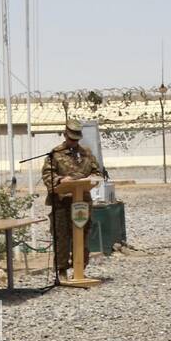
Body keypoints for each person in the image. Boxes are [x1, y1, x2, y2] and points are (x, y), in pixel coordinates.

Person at [42, 118, 103, 280]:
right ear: (65, 135)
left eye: (76, 139)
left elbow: (98, 172)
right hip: (61, 202)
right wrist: (60, 180)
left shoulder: (87, 153)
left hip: (82, 201)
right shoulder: (55, 154)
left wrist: (93, 177)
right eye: (71, 138)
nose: (73, 142)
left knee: (82, 235)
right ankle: (61, 271)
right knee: (61, 237)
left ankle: (79, 269)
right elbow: (47, 175)